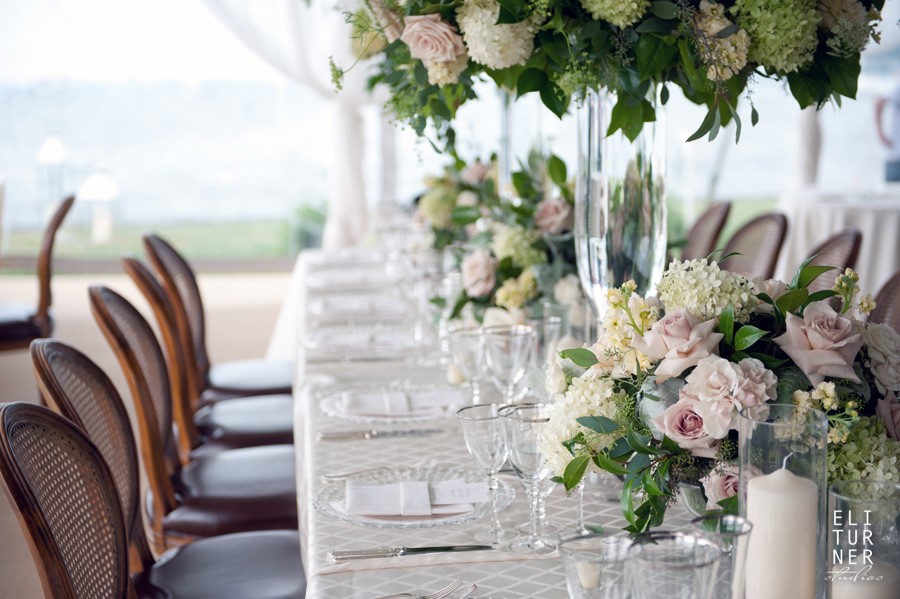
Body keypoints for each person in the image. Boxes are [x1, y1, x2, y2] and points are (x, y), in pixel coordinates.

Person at [875, 81, 900, 181]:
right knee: (892, 193)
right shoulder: (897, 88)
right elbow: (879, 102)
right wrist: (881, 133)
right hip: (895, 154)